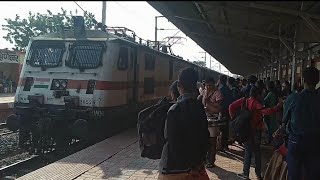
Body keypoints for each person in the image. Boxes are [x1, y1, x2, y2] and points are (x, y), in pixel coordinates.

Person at [158, 68, 210, 180]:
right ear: (195, 85)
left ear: (179, 85)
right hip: (196, 166)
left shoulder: (174, 109)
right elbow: (205, 136)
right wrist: (197, 163)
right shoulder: (199, 107)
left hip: (174, 169)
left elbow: (171, 141)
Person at [229, 87, 283, 180]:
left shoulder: (244, 100)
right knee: (256, 153)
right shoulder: (256, 103)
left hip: (245, 130)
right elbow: (266, 111)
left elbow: (231, 107)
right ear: (257, 95)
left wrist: (235, 118)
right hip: (255, 131)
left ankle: (245, 173)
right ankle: (258, 174)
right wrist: (278, 106)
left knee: (248, 152)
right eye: (262, 94)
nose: (263, 95)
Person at [281, 67, 320, 180]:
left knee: (294, 174)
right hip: (316, 142)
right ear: (317, 81)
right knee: (313, 175)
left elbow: (284, 120)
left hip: (296, 142)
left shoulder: (294, 98)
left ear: (303, 80)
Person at [202, 77, 223, 168]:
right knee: (206, 140)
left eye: (210, 85)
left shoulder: (218, 93)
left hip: (214, 119)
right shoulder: (205, 92)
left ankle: (211, 160)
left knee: (212, 141)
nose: (208, 87)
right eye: (207, 85)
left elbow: (219, 107)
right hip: (206, 118)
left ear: (214, 84)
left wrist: (209, 103)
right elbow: (203, 103)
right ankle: (206, 158)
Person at [217, 75, 234, 150]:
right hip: (228, 110)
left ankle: (221, 145)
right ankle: (225, 145)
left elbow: (219, 102)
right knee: (226, 128)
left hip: (222, 110)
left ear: (220, 80)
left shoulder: (220, 89)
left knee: (221, 128)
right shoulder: (228, 89)